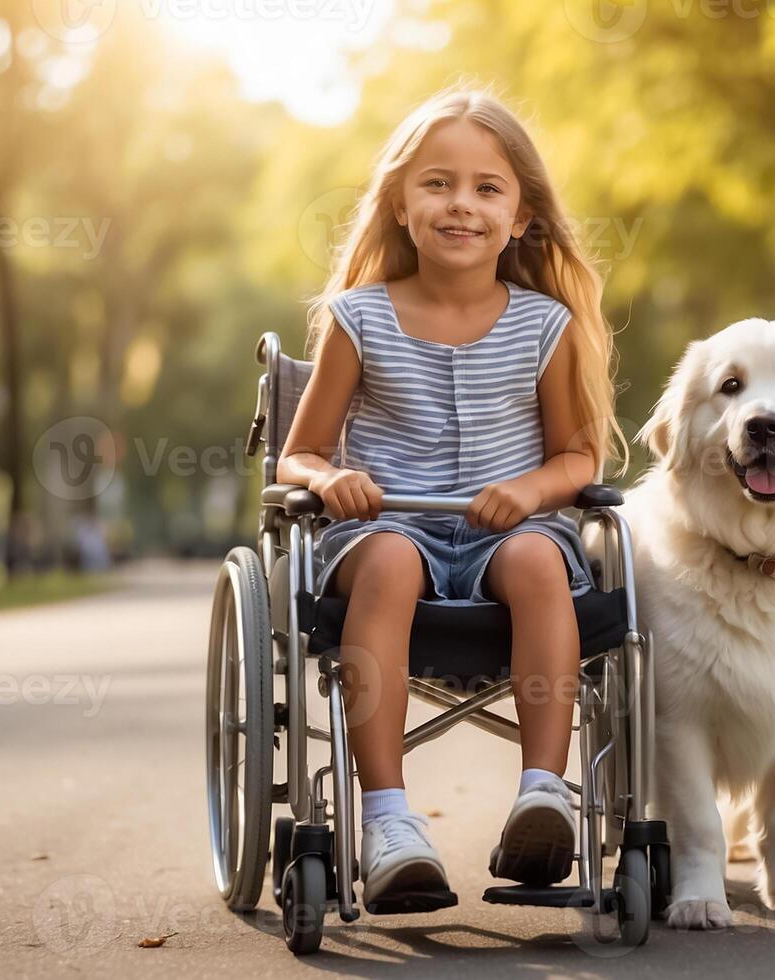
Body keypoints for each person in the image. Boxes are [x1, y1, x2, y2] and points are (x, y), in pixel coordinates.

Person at [276, 87, 625, 909]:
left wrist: (529, 489)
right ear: (399, 202)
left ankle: (542, 792)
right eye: (437, 184)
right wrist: (331, 481)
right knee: (394, 559)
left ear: (521, 217)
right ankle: (390, 820)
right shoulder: (356, 319)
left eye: (486, 188)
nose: (460, 204)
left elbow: (578, 454)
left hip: (509, 536)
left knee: (542, 557)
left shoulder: (545, 324)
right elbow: (297, 453)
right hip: (386, 531)